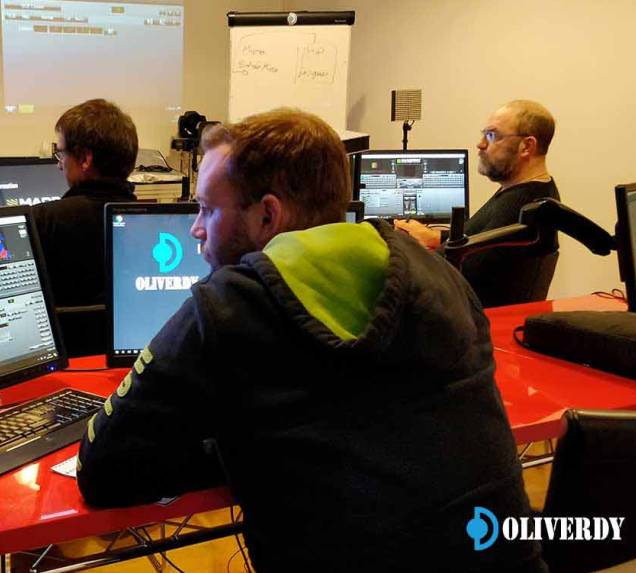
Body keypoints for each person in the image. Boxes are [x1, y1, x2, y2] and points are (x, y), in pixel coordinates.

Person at [75, 109, 546, 572]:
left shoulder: (230, 304)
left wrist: (235, 443)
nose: (196, 228)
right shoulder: (441, 275)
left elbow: (101, 469)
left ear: (268, 215)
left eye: (207, 209)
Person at [396, 100, 560, 307]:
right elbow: (478, 238)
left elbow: (452, 275)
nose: (480, 144)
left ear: (526, 146)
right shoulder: (530, 190)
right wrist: (435, 237)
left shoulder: (523, 207)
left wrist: (402, 251)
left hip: (463, 316)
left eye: (492, 136)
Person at [32, 99, 137, 354]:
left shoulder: (41, 221)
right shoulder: (154, 224)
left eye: (61, 153)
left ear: (85, 159)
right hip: (131, 360)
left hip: (63, 363)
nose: (59, 164)